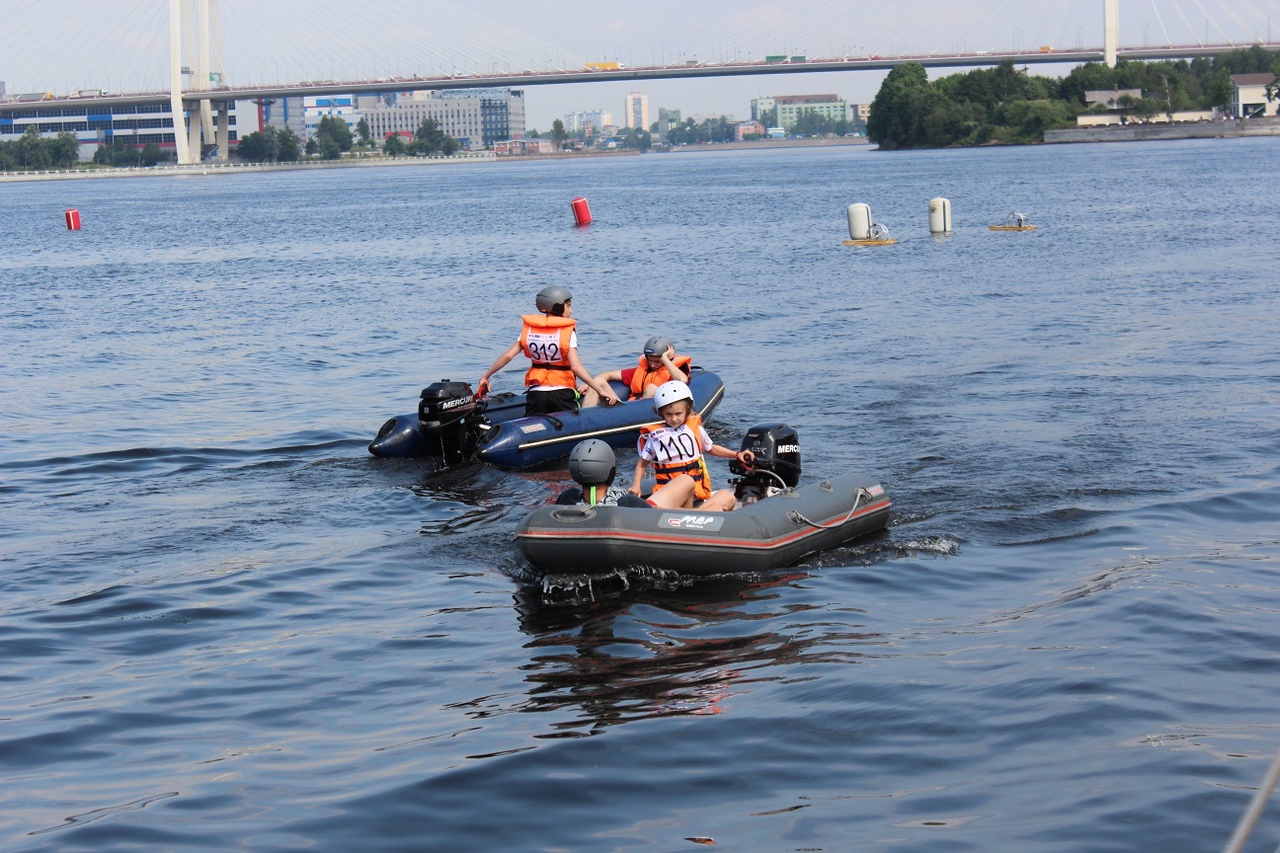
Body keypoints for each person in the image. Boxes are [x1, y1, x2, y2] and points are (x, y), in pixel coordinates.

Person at [478, 285, 619, 416]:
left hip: (536, 394)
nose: (571, 310)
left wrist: (486, 376)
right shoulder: (568, 331)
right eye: (568, 306)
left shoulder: (530, 329)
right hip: (562, 393)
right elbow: (575, 367)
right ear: (557, 307)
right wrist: (598, 390)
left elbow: (508, 356)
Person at [629, 380, 754, 512]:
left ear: (687, 410)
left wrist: (736, 454)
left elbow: (711, 448)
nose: (674, 419)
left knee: (727, 497)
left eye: (678, 414)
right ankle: (705, 513)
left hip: (695, 496)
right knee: (686, 480)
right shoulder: (655, 437)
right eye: (669, 415)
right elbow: (642, 464)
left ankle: (698, 514)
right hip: (671, 499)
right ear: (661, 413)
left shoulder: (695, 430)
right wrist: (636, 485)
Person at [556, 438, 695, 509]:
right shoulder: (625, 502)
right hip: (647, 516)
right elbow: (654, 517)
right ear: (610, 472)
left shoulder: (567, 498)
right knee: (685, 480)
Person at [580, 335, 692, 408]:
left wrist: (665, 360)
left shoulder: (673, 372)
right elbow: (608, 375)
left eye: (657, 361)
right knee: (598, 381)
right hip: (626, 408)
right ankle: (584, 421)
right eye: (650, 360)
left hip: (646, 414)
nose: (652, 364)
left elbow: (682, 380)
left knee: (651, 388)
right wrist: (590, 384)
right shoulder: (639, 371)